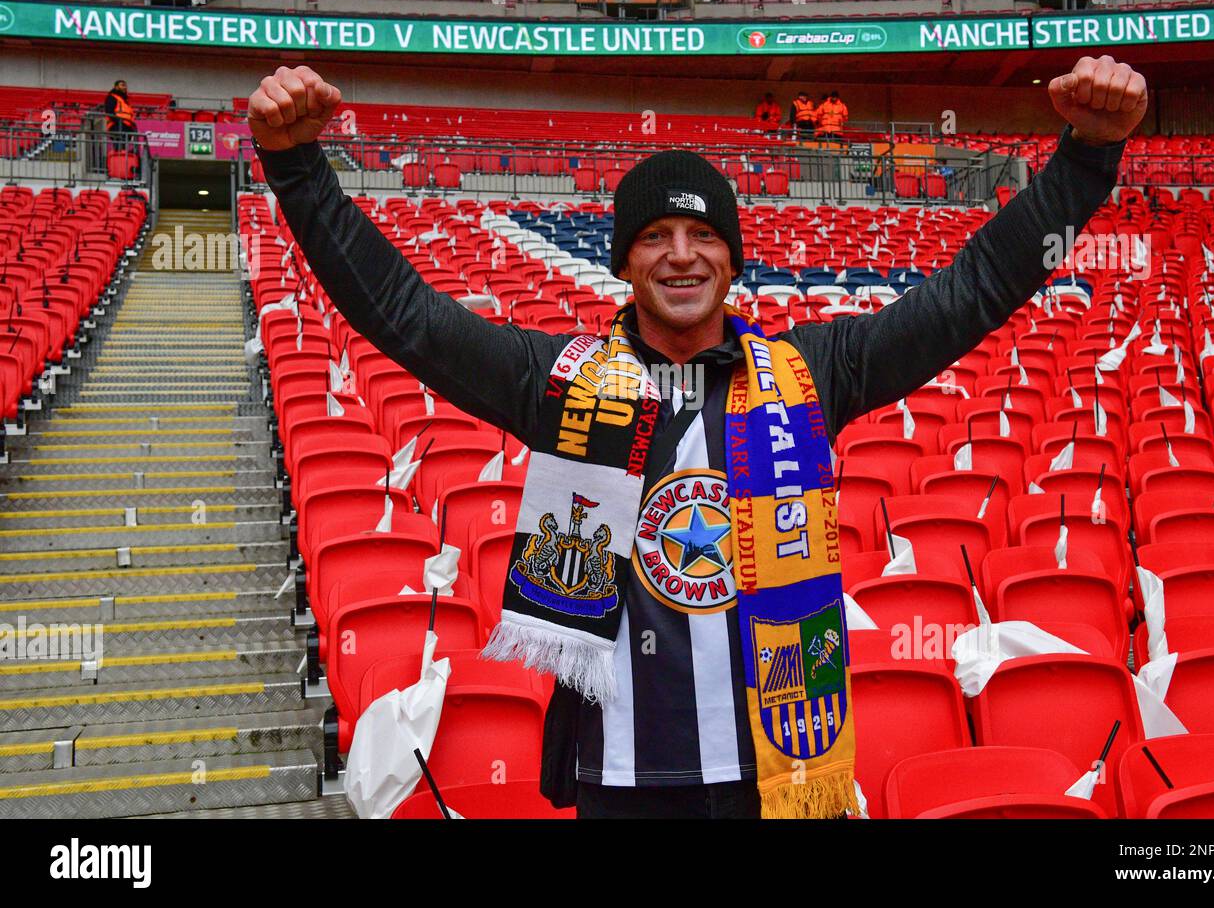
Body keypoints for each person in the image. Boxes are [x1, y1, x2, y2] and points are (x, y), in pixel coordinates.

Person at [248, 56, 1146, 819]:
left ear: (732, 257)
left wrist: (1087, 161)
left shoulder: (814, 371)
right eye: (655, 237)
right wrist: (298, 172)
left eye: (704, 234)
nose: (682, 254)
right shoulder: (559, 383)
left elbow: (978, 290)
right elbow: (403, 314)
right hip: (622, 772)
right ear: (624, 263)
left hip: (782, 767)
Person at [103, 80, 138, 151]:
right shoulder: (112, 97)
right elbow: (109, 112)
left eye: (125, 85)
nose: (125, 87)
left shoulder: (125, 101)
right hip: (117, 125)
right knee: (119, 145)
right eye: (122, 85)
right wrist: (119, 121)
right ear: (116, 87)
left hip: (127, 126)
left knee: (123, 147)